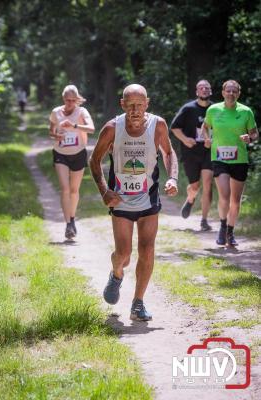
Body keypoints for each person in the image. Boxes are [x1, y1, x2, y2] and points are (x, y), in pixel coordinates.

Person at [89, 84, 178, 321]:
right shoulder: (112, 128)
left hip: (148, 199)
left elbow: (168, 153)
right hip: (121, 201)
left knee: (147, 250)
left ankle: (138, 303)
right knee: (124, 253)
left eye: (140, 105)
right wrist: (104, 191)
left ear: (147, 104)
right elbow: (94, 160)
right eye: (131, 105)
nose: (135, 110)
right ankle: (116, 273)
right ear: (123, 105)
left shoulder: (157, 125)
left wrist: (172, 177)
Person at [202, 80, 259, 246]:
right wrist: (206, 138)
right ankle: (222, 226)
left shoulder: (246, 112)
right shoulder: (213, 110)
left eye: (235, 91)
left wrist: (250, 137)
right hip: (219, 158)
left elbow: (254, 133)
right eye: (228, 91)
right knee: (225, 196)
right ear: (223, 92)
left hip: (239, 159)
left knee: (235, 200)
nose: (231, 94)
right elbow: (205, 127)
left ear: (238, 94)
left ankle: (230, 231)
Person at [49, 84, 95, 240]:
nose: (70, 103)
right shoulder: (56, 112)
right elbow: (51, 131)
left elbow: (92, 129)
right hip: (60, 153)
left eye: (73, 100)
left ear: (77, 100)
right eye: (67, 100)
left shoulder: (82, 111)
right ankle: (68, 224)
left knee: (74, 190)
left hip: (78, 154)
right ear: (63, 99)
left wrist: (74, 125)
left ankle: (73, 218)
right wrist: (57, 137)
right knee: (65, 189)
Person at [170, 80, 213, 231]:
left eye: (207, 88)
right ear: (197, 92)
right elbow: (174, 128)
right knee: (195, 186)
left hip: (208, 151)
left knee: (208, 184)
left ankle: (204, 220)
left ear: (210, 91)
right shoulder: (188, 108)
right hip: (191, 152)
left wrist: (212, 141)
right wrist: (185, 139)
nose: (204, 90)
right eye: (201, 88)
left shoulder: (215, 110)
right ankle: (190, 199)